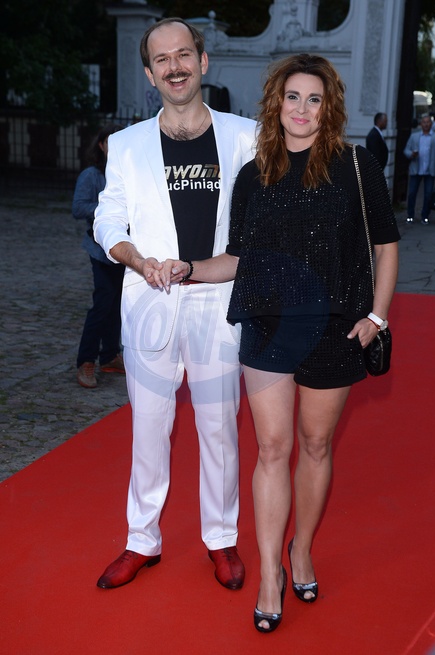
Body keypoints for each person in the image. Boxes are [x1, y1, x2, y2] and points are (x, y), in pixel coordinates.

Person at [162, 53, 400, 632]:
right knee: (272, 448)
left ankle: (301, 549)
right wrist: (188, 268)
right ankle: (271, 573)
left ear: (328, 107)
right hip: (269, 327)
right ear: (276, 103)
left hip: (336, 327)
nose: (301, 108)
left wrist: (377, 315)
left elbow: (386, 245)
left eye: (314, 99)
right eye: (293, 96)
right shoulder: (253, 175)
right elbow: (238, 258)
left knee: (315, 445)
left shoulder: (356, 166)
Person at [93, 18, 256, 591]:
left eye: (184, 54)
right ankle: (142, 539)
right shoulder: (126, 145)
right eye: (162, 59)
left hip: (217, 299)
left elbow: (265, 214)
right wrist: (138, 260)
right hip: (151, 300)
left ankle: (222, 538)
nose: (175, 67)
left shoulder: (246, 136)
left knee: (219, 429)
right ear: (149, 73)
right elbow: (108, 220)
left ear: (202, 62)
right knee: (148, 430)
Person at [73, 123, 126, 388]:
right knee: (103, 303)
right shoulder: (92, 175)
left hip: (125, 249)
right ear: (102, 145)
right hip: (100, 251)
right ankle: (86, 361)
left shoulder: (128, 172)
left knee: (117, 304)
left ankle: (109, 355)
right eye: (110, 141)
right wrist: (108, 209)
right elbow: (78, 207)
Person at [404, 114, 435, 224]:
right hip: (416, 169)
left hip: (430, 170)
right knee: (412, 193)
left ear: (431, 124)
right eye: (424, 122)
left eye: (428, 122)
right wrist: (411, 154)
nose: (426, 124)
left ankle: (425, 216)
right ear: (421, 124)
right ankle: (410, 215)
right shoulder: (414, 136)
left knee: (428, 195)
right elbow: (406, 150)